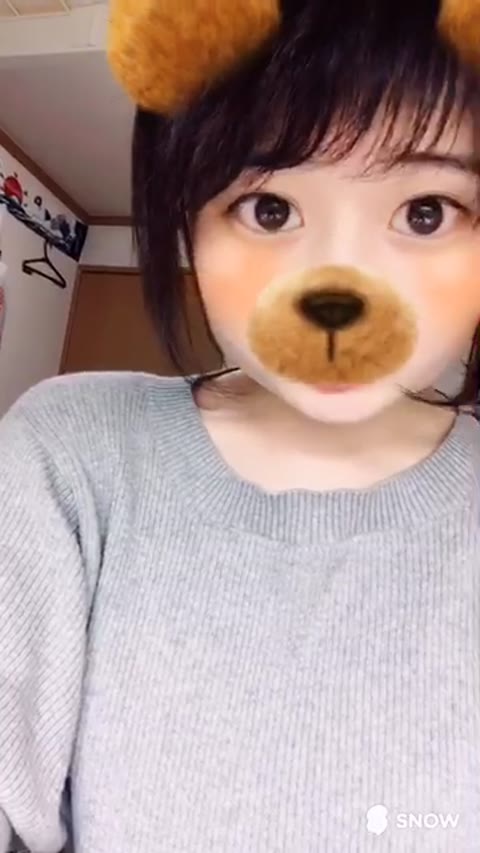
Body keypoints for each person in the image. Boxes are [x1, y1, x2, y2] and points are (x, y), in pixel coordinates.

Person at [1, 1, 480, 850]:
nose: (339, 285)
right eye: (269, 210)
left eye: (426, 212)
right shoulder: (70, 455)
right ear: (188, 220)